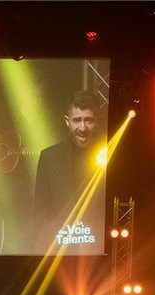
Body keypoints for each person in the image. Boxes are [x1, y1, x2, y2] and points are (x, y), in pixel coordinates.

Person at [32, 89, 107, 253]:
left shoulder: (111, 152)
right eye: (77, 120)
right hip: (59, 251)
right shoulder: (49, 157)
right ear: (67, 121)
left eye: (88, 120)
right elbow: (40, 212)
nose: (82, 127)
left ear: (97, 121)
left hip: (99, 249)